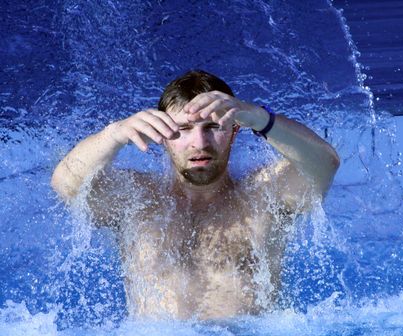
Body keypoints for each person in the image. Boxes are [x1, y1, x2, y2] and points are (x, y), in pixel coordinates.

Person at [51, 70, 340, 320]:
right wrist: (114, 135)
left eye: (213, 127)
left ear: (235, 131)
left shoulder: (263, 196)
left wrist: (262, 118)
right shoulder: (137, 201)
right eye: (183, 129)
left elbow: (325, 164)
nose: (199, 143)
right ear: (161, 135)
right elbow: (67, 184)